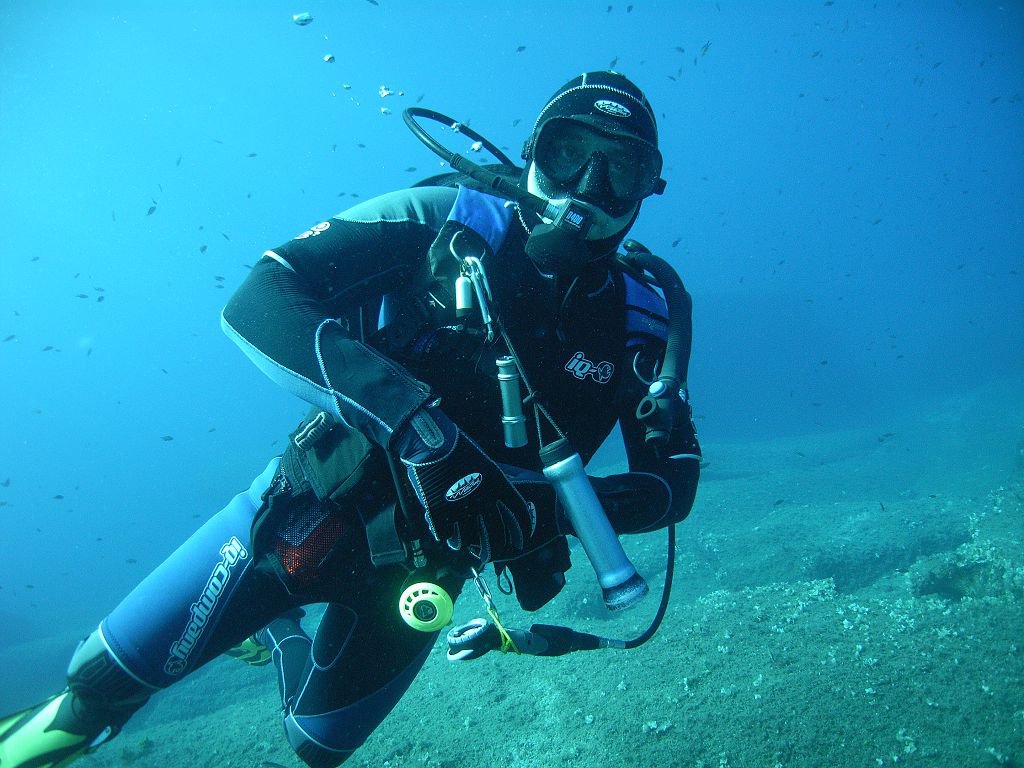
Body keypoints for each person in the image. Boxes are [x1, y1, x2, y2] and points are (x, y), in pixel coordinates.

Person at [0, 70, 701, 768]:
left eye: (622, 170)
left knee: (317, 745)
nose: (588, 186)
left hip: (430, 564)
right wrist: (417, 427)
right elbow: (261, 297)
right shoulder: (449, 219)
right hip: (305, 509)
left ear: (649, 189)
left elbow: (673, 483)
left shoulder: (645, 314)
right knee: (97, 689)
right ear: (531, 152)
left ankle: (281, 632)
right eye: (568, 152)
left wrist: (552, 511)